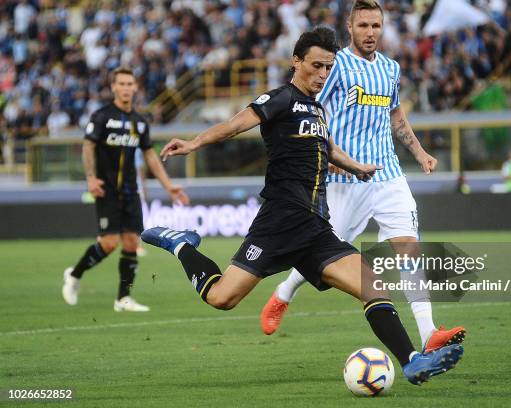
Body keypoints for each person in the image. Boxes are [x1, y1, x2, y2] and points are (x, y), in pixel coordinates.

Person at [141, 27, 463, 385]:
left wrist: (356, 168)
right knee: (222, 297)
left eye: (328, 67)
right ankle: (182, 244)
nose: (323, 75)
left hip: (315, 227)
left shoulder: (316, 108)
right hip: (278, 222)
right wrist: (193, 143)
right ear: (296, 61)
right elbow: (234, 125)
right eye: (316, 66)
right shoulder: (280, 99)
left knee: (371, 285)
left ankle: (412, 361)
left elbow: (325, 145)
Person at [261, 0, 465, 354]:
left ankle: (429, 332)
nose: (370, 33)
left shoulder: (390, 69)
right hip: (345, 180)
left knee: (408, 246)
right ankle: (284, 292)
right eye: (364, 26)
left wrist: (419, 152)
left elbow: (396, 116)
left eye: (376, 26)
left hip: (388, 174)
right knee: (325, 252)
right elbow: (313, 108)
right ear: (350, 27)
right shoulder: (335, 65)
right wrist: (330, 153)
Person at [62, 67, 189, 311]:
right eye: (121, 83)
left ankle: (123, 298)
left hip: (131, 191)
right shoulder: (101, 116)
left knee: (132, 243)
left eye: (130, 83)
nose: (126, 88)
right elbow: (88, 147)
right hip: (106, 189)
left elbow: (150, 155)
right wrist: (90, 178)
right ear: (113, 87)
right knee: (109, 243)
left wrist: (169, 186)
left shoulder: (139, 123)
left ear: (135, 87)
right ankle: (74, 274)